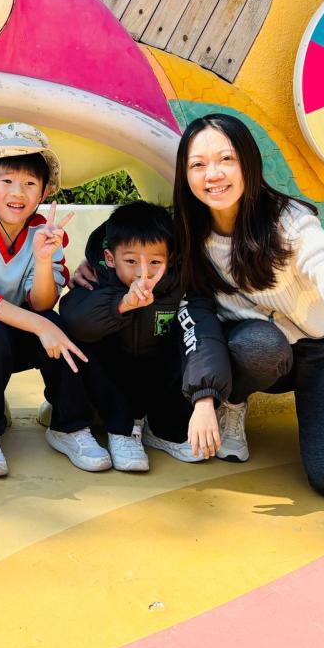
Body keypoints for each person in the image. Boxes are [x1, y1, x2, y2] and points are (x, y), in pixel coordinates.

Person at [175, 112, 324, 500]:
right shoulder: (189, 234)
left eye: (226, 159)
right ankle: (233, 403)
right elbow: (133, 244)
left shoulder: (291, 223)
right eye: (198, 165)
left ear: (248, 163)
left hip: (320, 346)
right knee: (260, 344)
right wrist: (94, 268)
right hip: (259, 351)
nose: (213, 174)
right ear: (184, 175)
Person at [0, 122, 108, 477]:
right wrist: (40, 326)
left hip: (25, 331)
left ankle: (69, 426)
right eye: (6, 180)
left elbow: (43, 304)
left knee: (63, 326)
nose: (18, 192)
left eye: (30, 183)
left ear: (44, 191)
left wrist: (44, 259)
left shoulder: (45, 232)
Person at [60, 201, 227, 471]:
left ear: (169, 258)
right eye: (131, 261)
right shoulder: (95, 279)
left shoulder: (179, 286)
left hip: (154, 374)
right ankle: (121, 431)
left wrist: (205, 398)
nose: (143, 272)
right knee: (74, 340)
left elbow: (203, 334)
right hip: (111, 380)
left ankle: (164, 430)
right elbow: (75, 319)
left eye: (155, 262)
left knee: (188, 343)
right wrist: (121, 305)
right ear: (111, 258)